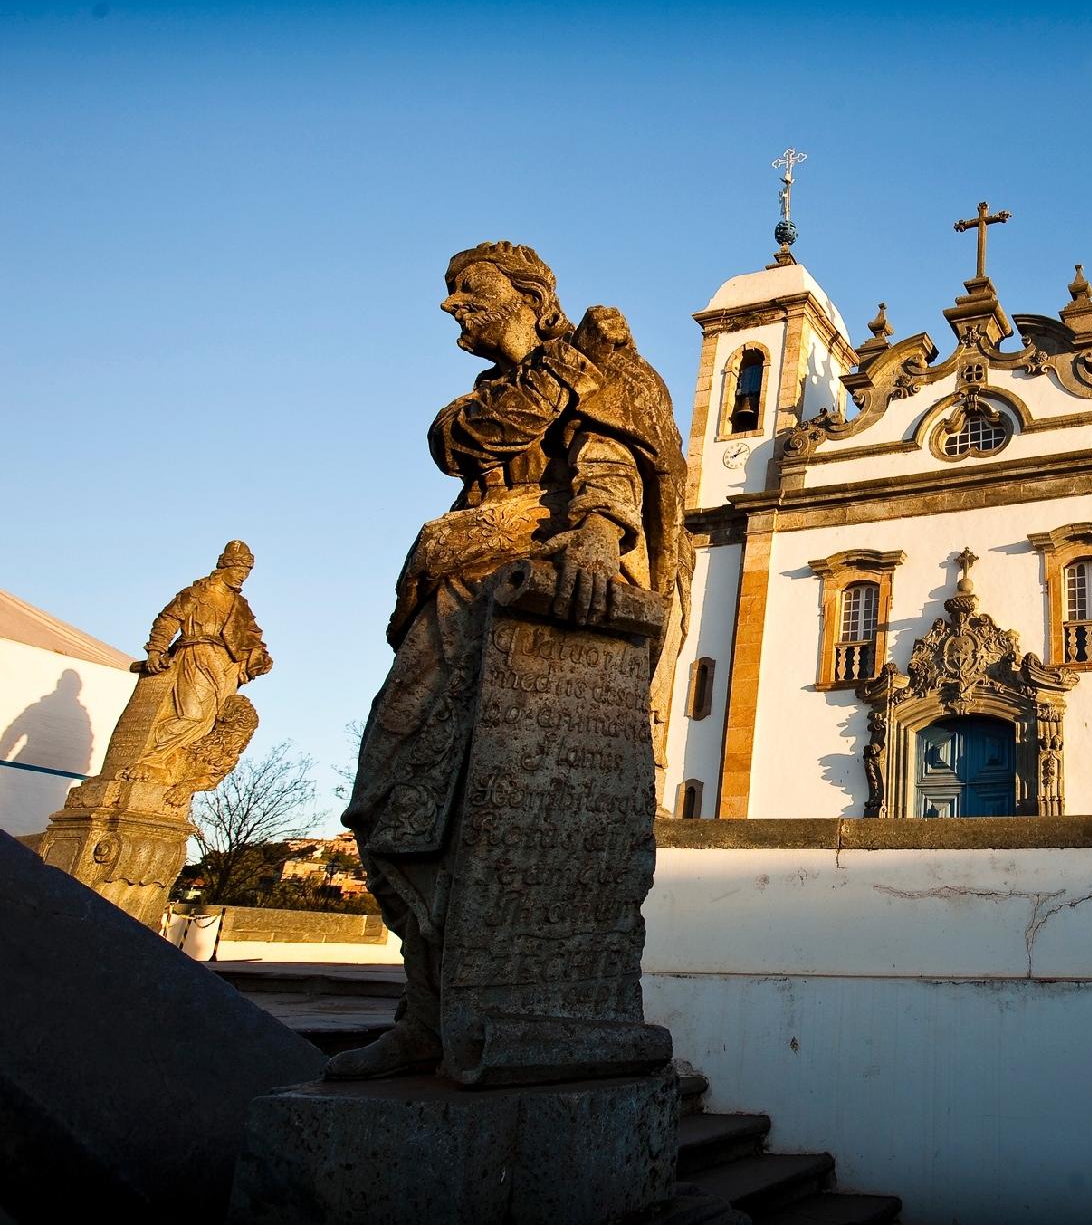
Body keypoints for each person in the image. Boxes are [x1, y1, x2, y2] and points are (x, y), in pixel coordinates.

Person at [328, 242, 683, 1080]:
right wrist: (561, 368)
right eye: (450, 293)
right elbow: (462, 442)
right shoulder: (494, 397)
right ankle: (427, 1011)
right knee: (386, 804)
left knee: (524, 814)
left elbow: (615, 460)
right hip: (453, 594)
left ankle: (525, 1011)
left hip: (541, 594)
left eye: (469, 291)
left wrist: (598, 539)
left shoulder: (612, 374)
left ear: (527, 295)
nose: (452, 306)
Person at [129, 541, 272, 783]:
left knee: (210, 721)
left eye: (246, 573)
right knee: (191, 715)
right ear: (224, 567)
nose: (242, 577)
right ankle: (152, 759)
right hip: (195, 655)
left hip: (225, 665)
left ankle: (169, 766)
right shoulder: (196, 593)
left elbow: (251, 635)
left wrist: (259, 658)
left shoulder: (240, 605)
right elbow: (168, 620)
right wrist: (156, 651)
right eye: (238, 571)